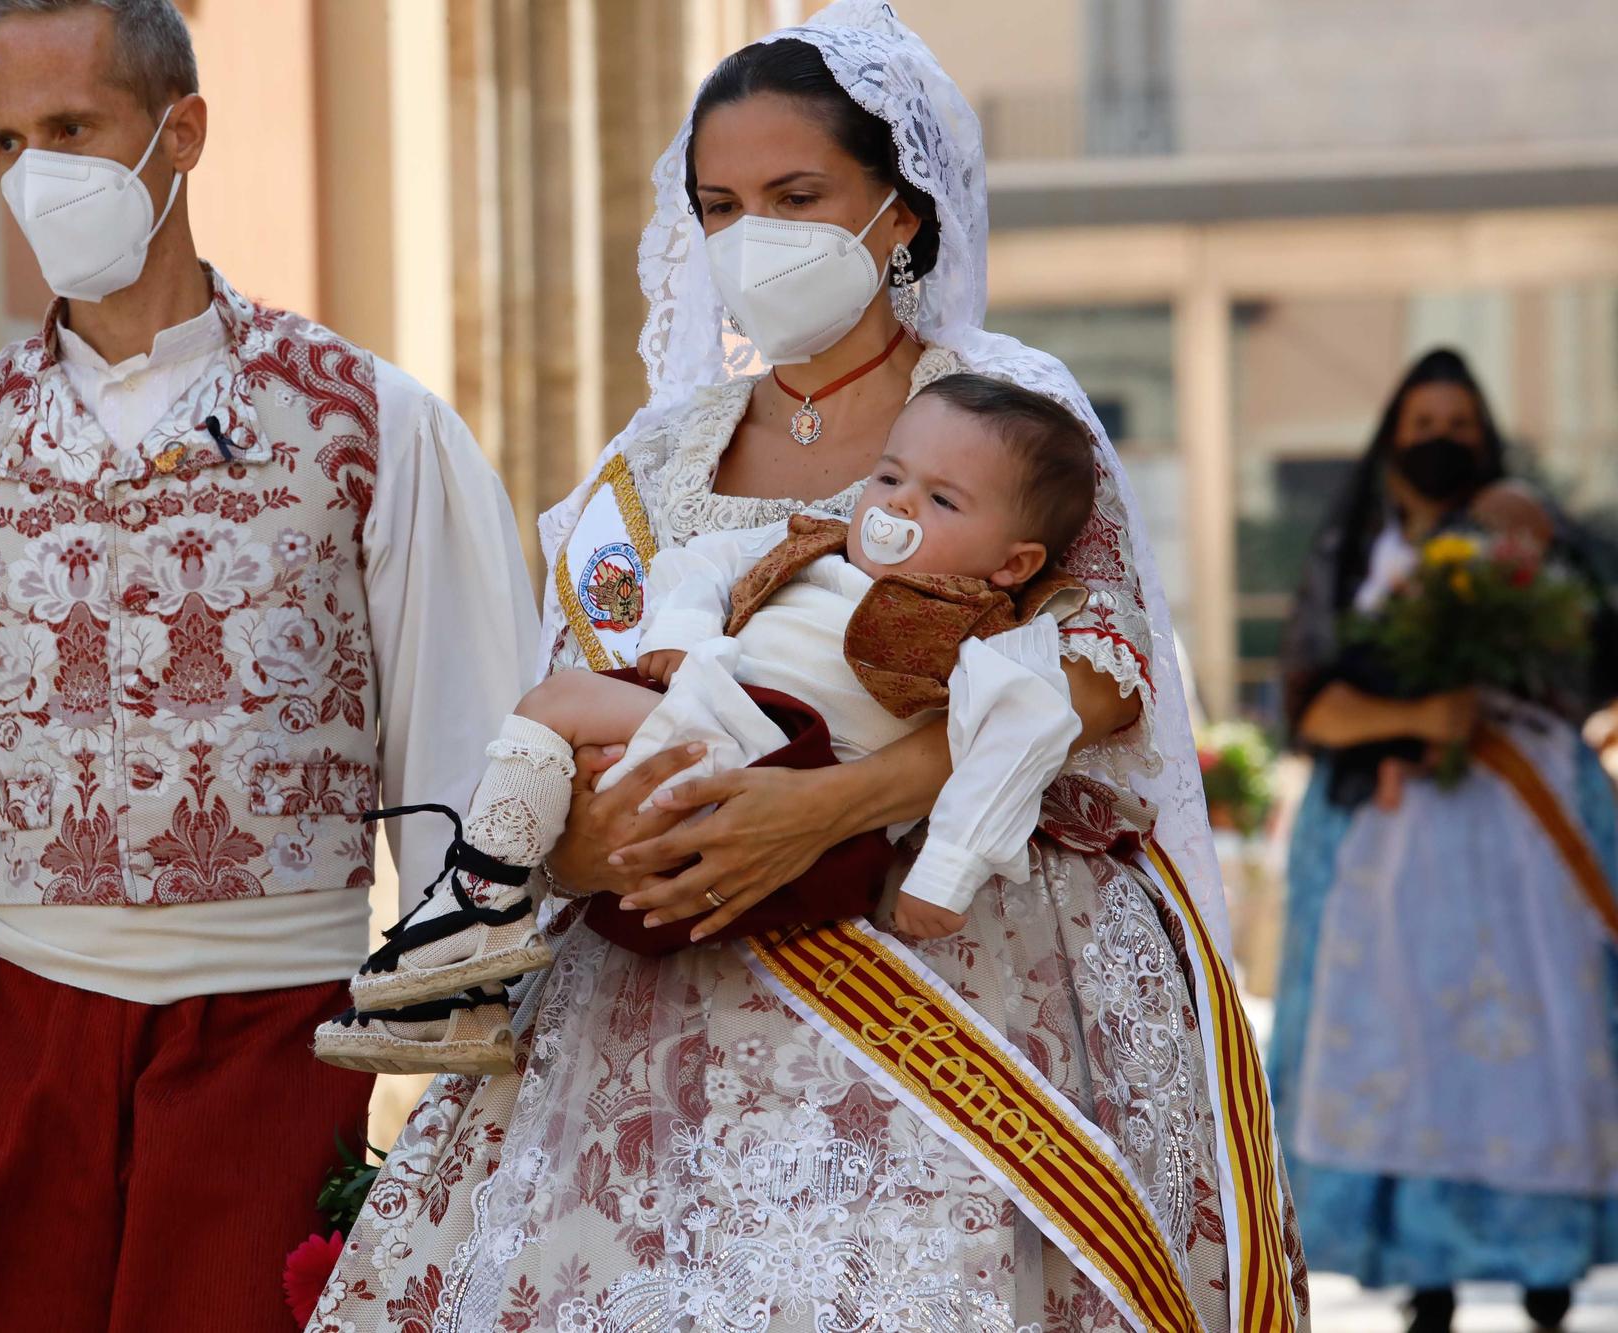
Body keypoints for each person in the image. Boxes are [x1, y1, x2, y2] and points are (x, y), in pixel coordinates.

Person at [311, 5, 1305, 1330]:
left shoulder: (1003, 415)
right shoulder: (654, 461)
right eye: (718, 205)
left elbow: (1095, 673)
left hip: (948, 985)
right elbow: (573, 706)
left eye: (795, 194)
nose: (751, 237)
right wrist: (596, 852)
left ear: (899, 211)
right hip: (662, 1004)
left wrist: (823, 807)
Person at [0, 1, 534, 1328]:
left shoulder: (368, 429)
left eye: (72, 127)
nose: (35, 175)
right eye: (4, 141)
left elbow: (473, 755)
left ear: (180, 132)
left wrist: (468, 1073)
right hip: (17, 1042)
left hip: (277, 1042)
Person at [315, 372, 1097, 1074]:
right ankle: (472, 984)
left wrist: (946, 873)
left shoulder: (990, 632)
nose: (895, 504)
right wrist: (684, 638)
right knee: (582, 751)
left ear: (1016, 563)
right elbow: (702, 560)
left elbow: (1022, 737)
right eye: (889, 475)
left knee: (558, 703)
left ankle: (476, 915)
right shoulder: (810, 550)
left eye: (942, 499)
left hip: (801, 772)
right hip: (723, 734)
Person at [1271, 347, 1618, 1333]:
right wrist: (1418, 712)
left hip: (1530, 836)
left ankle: (1547, 1262)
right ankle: (1425, 1272)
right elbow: (1307, 699)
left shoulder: (1532, 540)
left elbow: (1588, 663)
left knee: (1543, 1031)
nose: (1440, 443)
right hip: (1387, 844)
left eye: (1457, 426)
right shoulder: (1349, 555)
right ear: (1391, 439)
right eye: (1421, 427)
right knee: (1406, 1035)